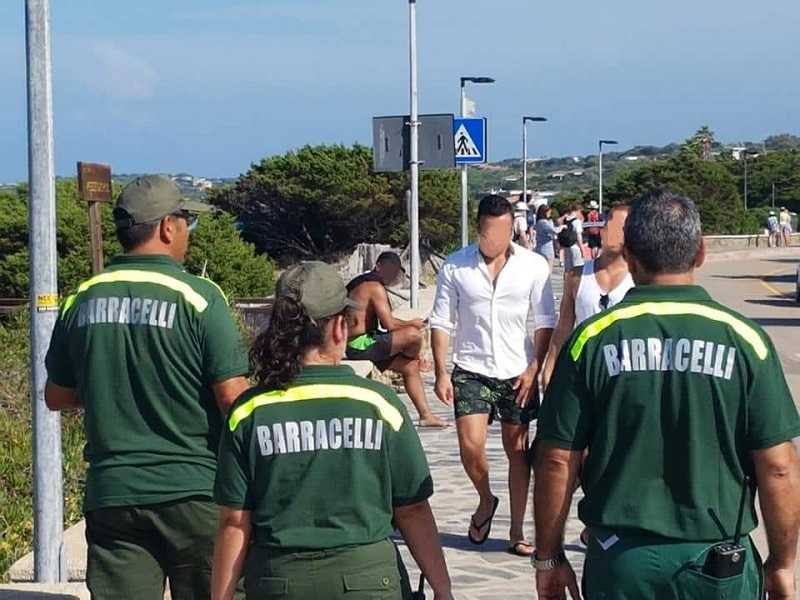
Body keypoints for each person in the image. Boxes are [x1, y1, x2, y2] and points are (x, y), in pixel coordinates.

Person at [534, 192, 800, 600]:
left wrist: (549, 557)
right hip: (717, 563)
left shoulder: (591, 340)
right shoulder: (746, 341)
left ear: (632, 256)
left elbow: (556, 458)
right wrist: (781, 563)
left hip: (620, 562)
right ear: (701, 252)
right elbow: (779, 467)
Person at [44, 175, 250, 600]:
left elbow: (57, 396)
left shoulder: (81, 297)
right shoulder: (199, 297)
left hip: (112, 494)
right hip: (194, 489)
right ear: (166, 227)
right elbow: (233, 398)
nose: (187, 233)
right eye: (187, 221)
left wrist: (110, 387)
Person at [212, 261, 453, 600]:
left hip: (279, 581)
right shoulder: (379, 405)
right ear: (339, 328)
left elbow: (234, 522)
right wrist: (443, 588)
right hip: (370, 582)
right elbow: (412, 509)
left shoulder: (249, 412)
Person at [430, 194, 556, 557]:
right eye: (488, 234)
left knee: (518, 452)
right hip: (471, 367)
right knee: (470, 445)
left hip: (518, 370)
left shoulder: (532, 266)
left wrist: (535, 368)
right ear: (479, 228)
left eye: (502, 233)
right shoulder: (456, 266)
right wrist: (441, 372)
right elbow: (441, 321)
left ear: (511, 229)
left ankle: (517, 530)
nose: (494, 241)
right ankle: (486, 499)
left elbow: (544, 320)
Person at [346, 251, 448, 428]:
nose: (392, 276)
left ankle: (426, 415)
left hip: (368, 339)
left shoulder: (367, 282)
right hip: (358, 343)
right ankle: (417, 358)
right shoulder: (373, 286)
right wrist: (413, 323)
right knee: (414, 335)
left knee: (410, 368)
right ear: (378, 267)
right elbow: (390, 324)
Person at [542, 204, 633, 388]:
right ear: (603, 230)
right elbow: (564, 327)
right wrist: (550, 367)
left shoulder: (639, 277)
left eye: (623, 229)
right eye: (612, 226)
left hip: (627, 378)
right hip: (585, 374)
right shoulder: (576, 276)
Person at [534, 204, 560, 269]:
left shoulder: (538, 222)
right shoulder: (544, 222)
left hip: (539, 247)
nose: (549, 214)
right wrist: (562, 227)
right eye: (548, 212)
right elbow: (554, 231)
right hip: (547, 248)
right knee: (548, 268)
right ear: (545, 212)